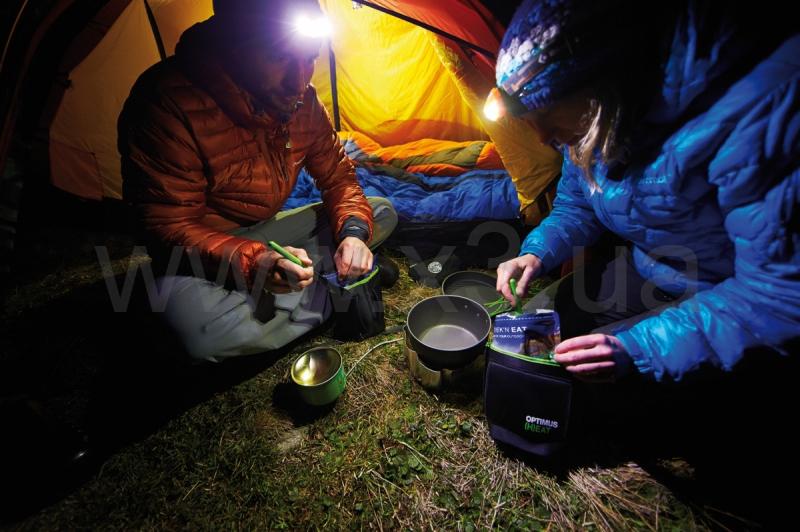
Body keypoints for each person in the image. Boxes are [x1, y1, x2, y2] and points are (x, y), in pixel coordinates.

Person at [491, 0, 798, 519]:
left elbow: (779, 294)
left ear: (600, 79)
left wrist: (638, 348)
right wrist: (536, 252)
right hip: (652, 265)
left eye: (546, 116)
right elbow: (576, 207)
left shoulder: (761, 107)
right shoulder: (594, 119)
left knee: (594, 387)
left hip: (727, 294)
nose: (540, 137)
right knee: (539, 333)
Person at [118, 0, 397, 363]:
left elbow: (339, 179)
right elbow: (167, 227)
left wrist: (353, 236)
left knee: (380, 212)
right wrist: (256, 263)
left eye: (309, 58)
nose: (299, 80)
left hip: (268, 232)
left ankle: (325, 279)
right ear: (236, 46)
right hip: (200, 252)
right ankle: (346, 287)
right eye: (280, 58)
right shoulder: (166, 103)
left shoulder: (303, 102)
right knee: (201, 335)